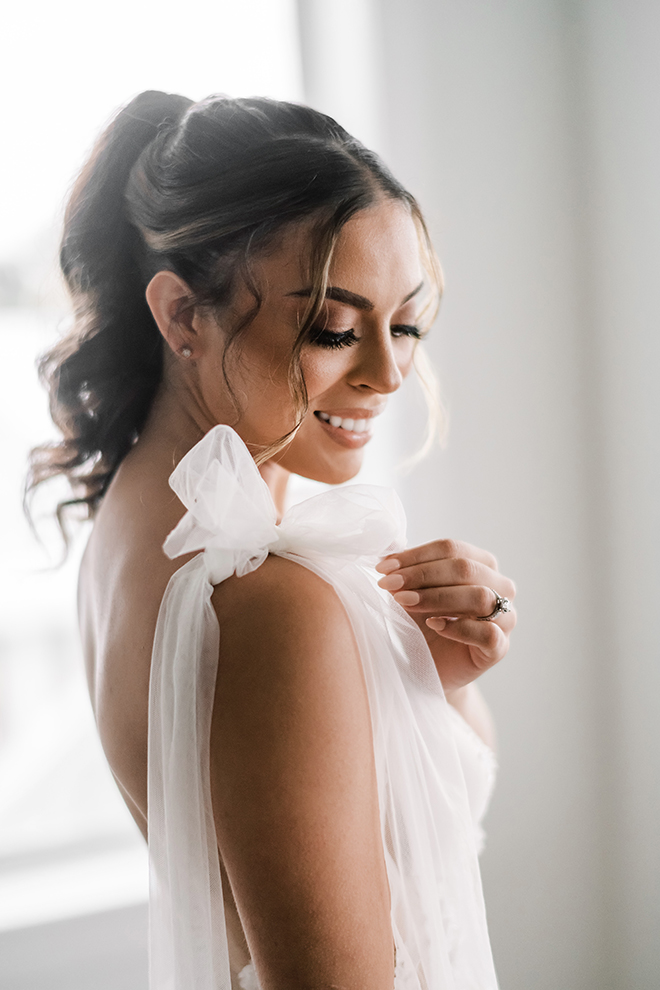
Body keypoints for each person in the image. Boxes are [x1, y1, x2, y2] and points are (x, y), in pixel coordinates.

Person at [29, 91, 516, 989]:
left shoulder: (139, 530)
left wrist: (428, 680)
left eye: (406, 323)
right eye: (333, 328)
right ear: (181, 316)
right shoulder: (269, 600)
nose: (388, 372)